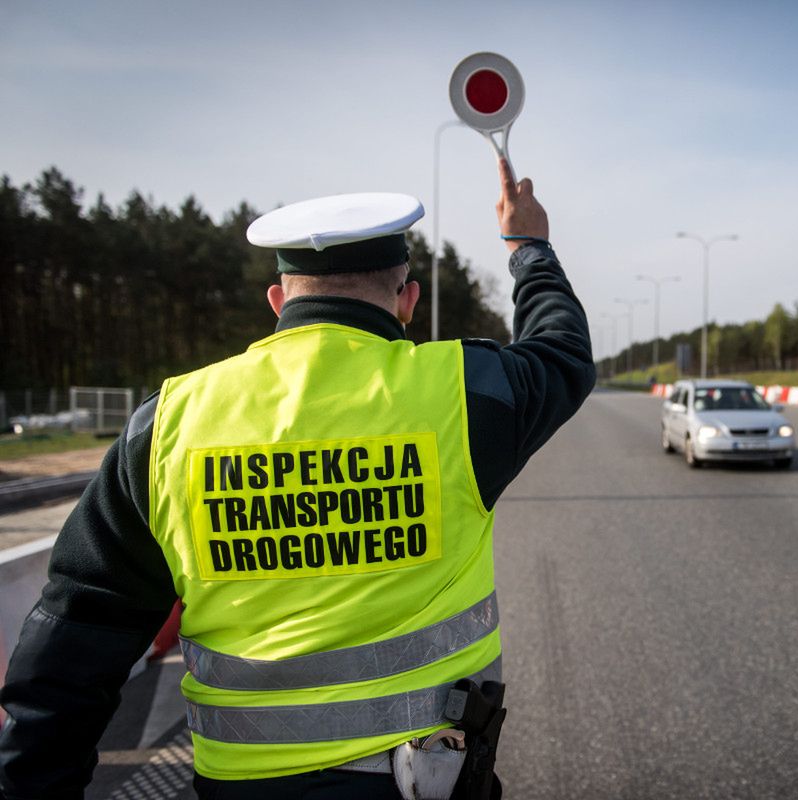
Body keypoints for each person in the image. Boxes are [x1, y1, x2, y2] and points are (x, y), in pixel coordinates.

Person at [0, 159, 594, 798]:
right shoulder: (465, 395)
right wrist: (527, 246)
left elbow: (77, 630)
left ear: (278, 301)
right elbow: (561, 351)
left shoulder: (167, 424)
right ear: (409, 301)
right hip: (427, 779)